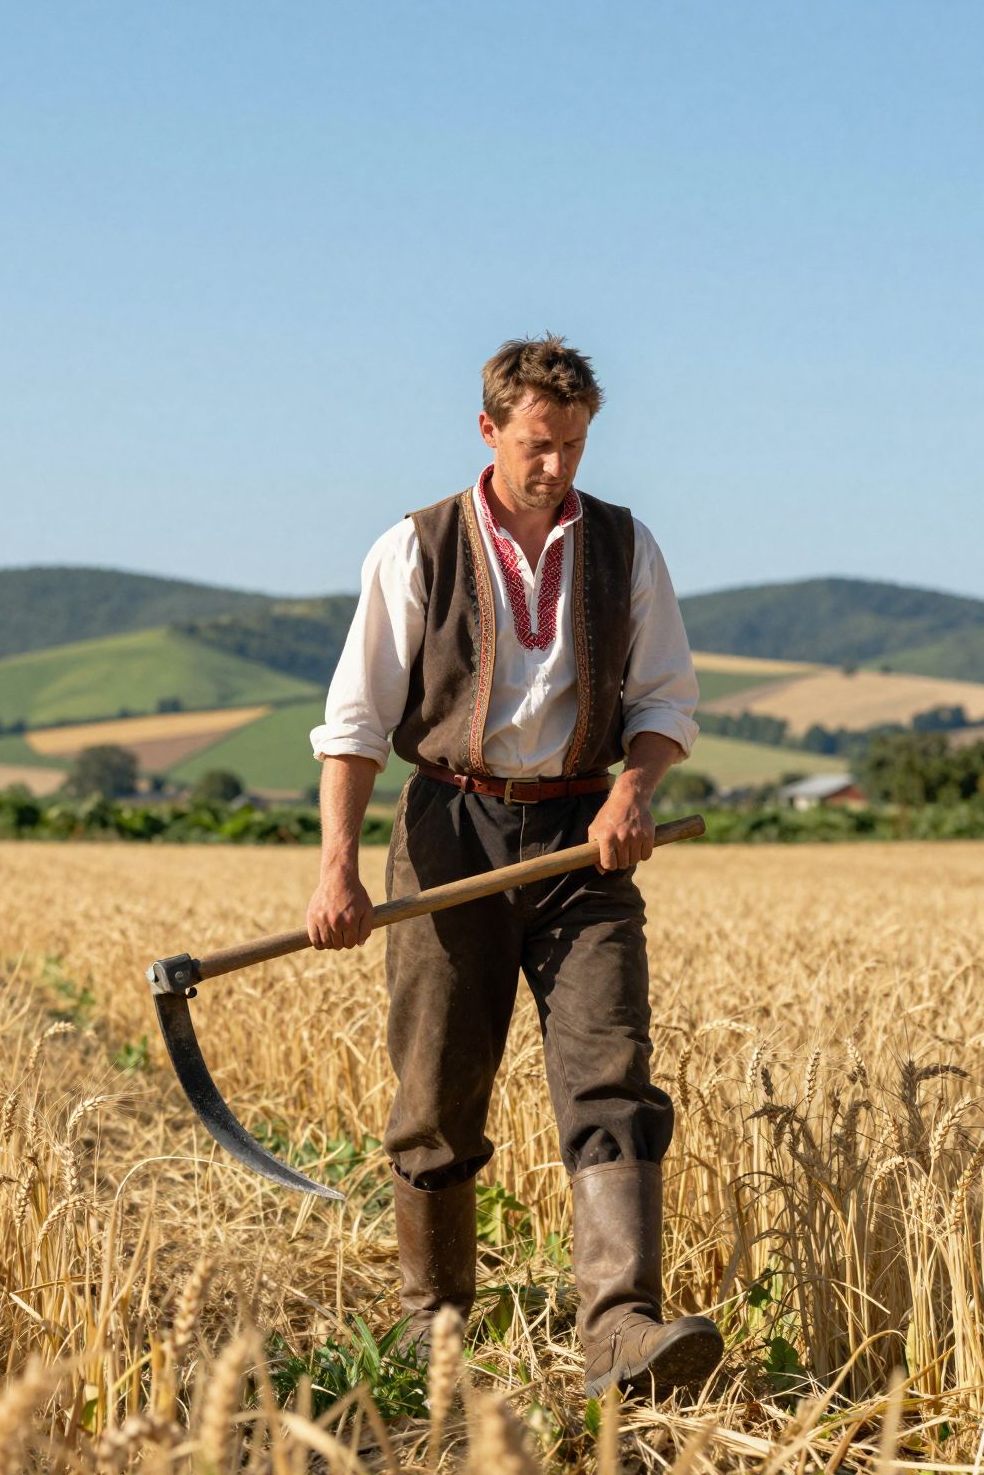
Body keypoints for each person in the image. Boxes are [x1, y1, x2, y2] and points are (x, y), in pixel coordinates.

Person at [305, 335, 722, 1398]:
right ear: (488, 430)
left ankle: (620, 1331)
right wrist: (338, 872)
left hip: (585, 839)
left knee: (609, 1074)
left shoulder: (624, 547)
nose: (558, 467)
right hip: (451, 830)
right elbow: (354, 723)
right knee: (439, 1090)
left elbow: (664, 701)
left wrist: (633, 791)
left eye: (575, 445)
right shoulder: (415, 549)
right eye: (539, 445)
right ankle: (430, 1330)